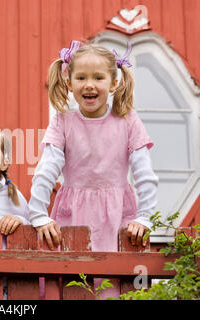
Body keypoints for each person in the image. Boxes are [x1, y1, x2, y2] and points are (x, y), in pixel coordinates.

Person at [29, 40, 158, 253]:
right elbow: (46, 170)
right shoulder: (63, 121)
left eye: (98, 77)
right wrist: (38, 214)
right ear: (69, 83)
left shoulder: (128, 121)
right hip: (73, 213)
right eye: (81, 78)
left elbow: (144, 174)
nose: (89, 84)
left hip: (117, 213)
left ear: (113, 83)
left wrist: (145, 217)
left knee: (116, 280)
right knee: (72, 278)